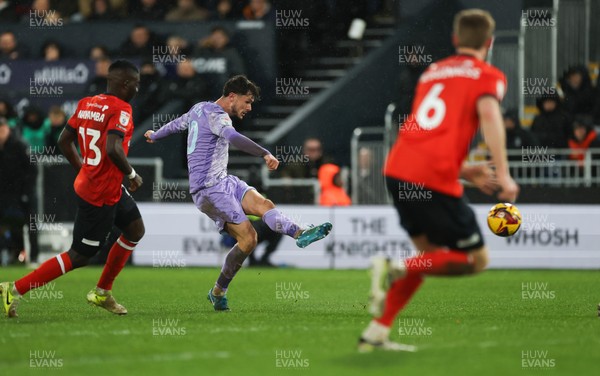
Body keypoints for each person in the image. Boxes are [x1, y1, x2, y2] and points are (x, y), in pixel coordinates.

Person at [358, 9, 519, 352]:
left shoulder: (432, 72)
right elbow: (490, 116)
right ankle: (393, 265)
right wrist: (503, 173)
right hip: (431, 178)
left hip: (398, 169)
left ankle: (377, 332)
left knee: (428, 258)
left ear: (456, 40)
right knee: (476, 260)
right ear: (489, 43)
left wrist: (465, 171)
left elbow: (426, 131)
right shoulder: (488, 75)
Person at [144, 75, 332, 311]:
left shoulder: (199, 109)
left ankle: (300, 234)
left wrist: (155, 134)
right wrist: (264, 153)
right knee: (249, 238)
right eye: (247, 101)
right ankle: (218, 291)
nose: (249, 107)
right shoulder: (218, 117)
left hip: (225, 181)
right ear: (232, 96)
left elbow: (177, 123)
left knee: (265, 205)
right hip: (209, 189)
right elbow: (232, 137)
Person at [1, 60, 145, 318]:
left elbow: (64, 140)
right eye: (136, 84)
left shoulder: (87, 103)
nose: (137, 90)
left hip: (106, 186)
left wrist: (83, 168)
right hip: (99, 194)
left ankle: (102, 292)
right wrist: (132, 174)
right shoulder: (122, 109)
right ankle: (14, 289)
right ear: (125, 84)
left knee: (135, 229)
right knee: (79, 256)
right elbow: (113, 148)